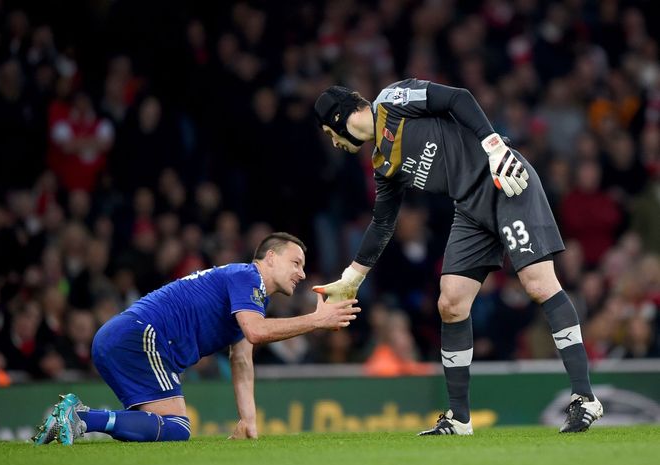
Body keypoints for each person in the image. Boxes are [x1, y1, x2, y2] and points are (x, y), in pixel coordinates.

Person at [312, 80, 603, 434]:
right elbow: (383, 223)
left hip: (503, 179)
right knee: (450, 302)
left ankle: (585, 398)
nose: (334, 142)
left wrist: (495, 147)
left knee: (538, 283)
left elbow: (457, 98)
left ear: (341, 117)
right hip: (469, 207)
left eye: (331, 132)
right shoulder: (383, 163)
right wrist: (351, 278)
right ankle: (459, 419)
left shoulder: (392, 101)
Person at [33, 232, 359, 445]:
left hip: (124, 337)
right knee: (177, 428)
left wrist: (248, 421)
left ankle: (72, 418)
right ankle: (79, 418)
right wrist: (317, 321)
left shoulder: (251, 296)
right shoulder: (247, 276)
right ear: (270, 257)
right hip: (142, 337)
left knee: (165, 429)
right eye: (296, 262)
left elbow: (242, 358)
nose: (301, 273)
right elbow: (256, 332)